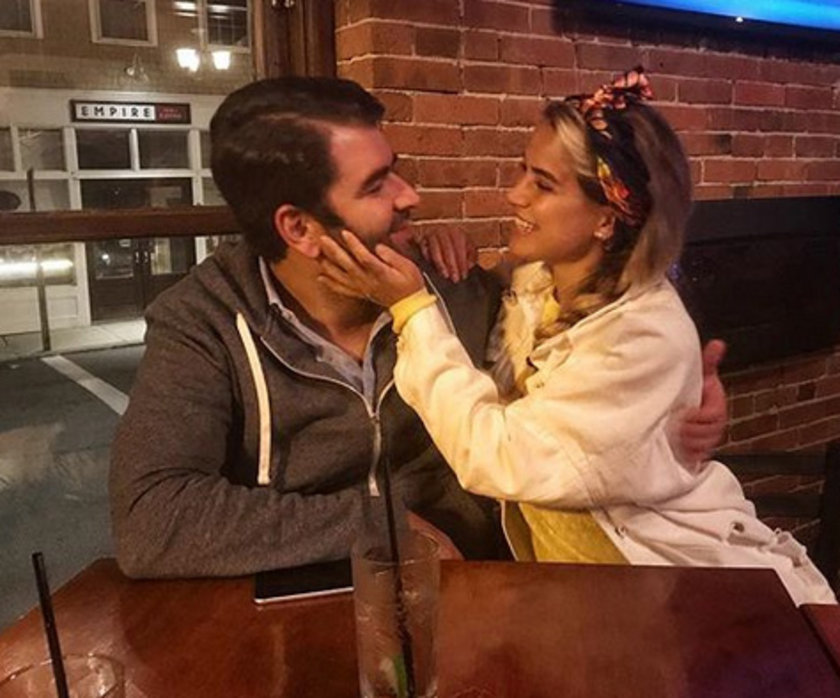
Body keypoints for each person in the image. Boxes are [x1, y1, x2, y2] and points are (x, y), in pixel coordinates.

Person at [110, 76, 727, 579]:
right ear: (299, 228)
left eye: (396, 169)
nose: (411, 197)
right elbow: (152, 519)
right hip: (305, 598)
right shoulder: (206, 320)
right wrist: (381, 525)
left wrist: (674, 402)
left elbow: (587, 345)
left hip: (486, 587)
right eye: (377, 185)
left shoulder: (449, 287)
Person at [318, 69, 835, 605]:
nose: (514, 194)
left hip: (664, 585)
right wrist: (438, 249)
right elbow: (492, 350)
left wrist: (410, 308)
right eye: (523, 169)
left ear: (607, 218)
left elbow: (498, 454)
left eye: (542, 184)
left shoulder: (642, 334)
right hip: (571, 579)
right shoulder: (540, 282)